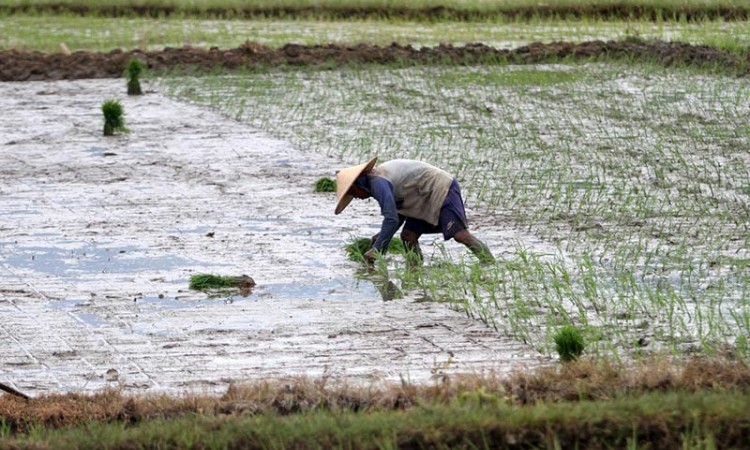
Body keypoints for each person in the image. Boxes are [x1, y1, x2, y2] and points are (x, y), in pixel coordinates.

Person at [335, 157, 495, 265]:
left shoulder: (378, 183)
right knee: (408, 236)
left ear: (356, 185)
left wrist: (378, 249)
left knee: (460, 235)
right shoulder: (376, 182)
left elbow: (390, 219)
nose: (355, 197)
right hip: (420, 196)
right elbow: (398, 214)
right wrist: (381, 237)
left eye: (353, 193)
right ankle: (415, 269)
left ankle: (490, 263)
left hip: (439, 187)